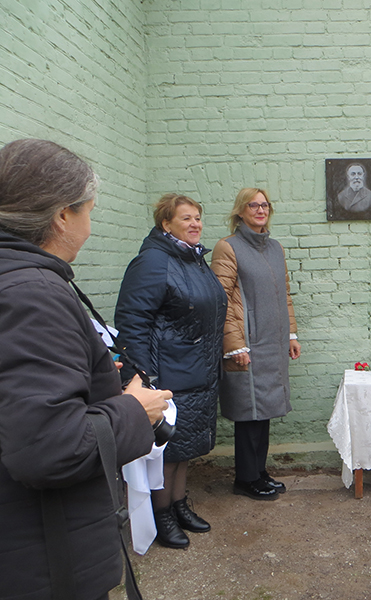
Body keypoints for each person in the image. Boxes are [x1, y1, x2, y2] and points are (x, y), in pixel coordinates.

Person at [0, 138, 171, 599]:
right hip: (43, 561)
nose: (90, 227)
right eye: (89, 212)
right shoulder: (32, 294)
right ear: (62, 215)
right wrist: (134, 409)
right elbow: (49, 448)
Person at [115, 193, 226, 548]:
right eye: (186, 218)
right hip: (168, 374)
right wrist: (142, 378)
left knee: (184, 448)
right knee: (166, 450)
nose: (195, 224)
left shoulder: (193, 259)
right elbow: (133, 322)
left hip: (197, 370)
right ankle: (161, 514)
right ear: (166, 224)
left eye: (198, 217)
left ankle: (178, 505)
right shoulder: (153, 261)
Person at [211, 188, 301, 500]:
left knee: (264, 411)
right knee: (249, 411)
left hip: (272, 343)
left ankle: (259, 472)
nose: (260, 210)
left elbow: (284, 294)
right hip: (247, 345)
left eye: (265, 205)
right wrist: (234, 345)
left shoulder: (275, 248)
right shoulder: (228, 247)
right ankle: (246, 479)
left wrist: (291, 335)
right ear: (241, 211)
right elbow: (220, 299)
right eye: (253, 205)